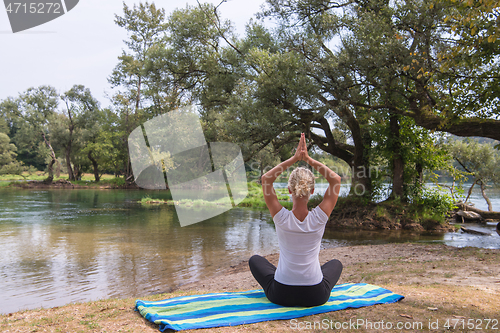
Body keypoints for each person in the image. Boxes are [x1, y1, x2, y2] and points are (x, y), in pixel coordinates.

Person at [249, 133, 343, 307]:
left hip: (281, 294)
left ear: (290, 191)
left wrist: (294, 159)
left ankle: (287, 276)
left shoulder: (281, 217)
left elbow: (266, 179)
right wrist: (308, 159)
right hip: (315, 295)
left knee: (255, 260)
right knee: (336, 264)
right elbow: (336, 180)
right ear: (313, 191)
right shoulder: (320, 217)